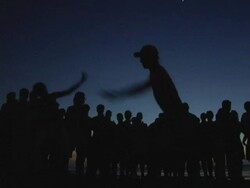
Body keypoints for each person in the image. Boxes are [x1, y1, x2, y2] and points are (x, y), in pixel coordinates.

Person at [101, 45, 182, 117]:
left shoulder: (158, 72)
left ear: (150, 57)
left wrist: (120, 94)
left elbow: (142, 87)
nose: (141, 61)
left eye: (143, 57)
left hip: (177, 116)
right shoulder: (156, 72)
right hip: (174, 115)